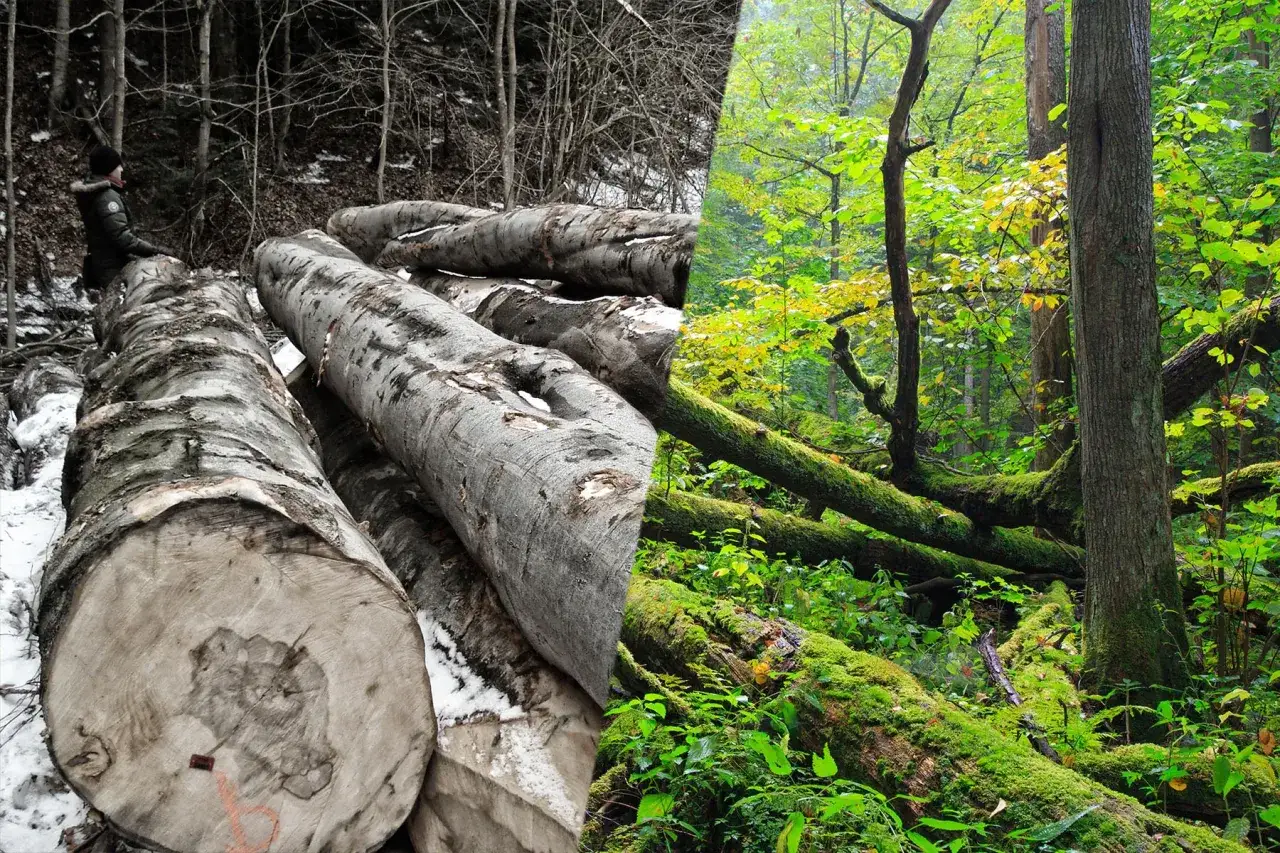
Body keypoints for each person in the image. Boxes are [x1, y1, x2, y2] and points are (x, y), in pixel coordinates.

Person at [71, 145, 173, 299]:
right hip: (113, 268)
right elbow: (121, 237)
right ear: (108, 169)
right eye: (118, 166)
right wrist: (154, 250)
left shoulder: (94, 193)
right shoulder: (107, 197)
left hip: (102, 264)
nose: (121, 169)